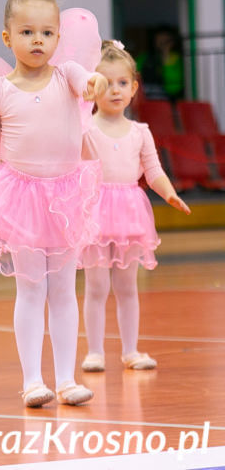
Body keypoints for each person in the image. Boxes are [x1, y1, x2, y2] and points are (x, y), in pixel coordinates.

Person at [0, 0, 107, 407]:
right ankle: (33, 379)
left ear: (58, 38)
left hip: (67, 194)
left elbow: (89, 79)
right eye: (28, 32)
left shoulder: (68, 76)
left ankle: (66, 379)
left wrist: (96, 84)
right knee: (31, 289)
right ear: (7, 37)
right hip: (20, 198)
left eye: (47, 33)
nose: (38, 40)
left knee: (65, 289)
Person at [80, 40, 190, 373]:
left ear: (134, 88)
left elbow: (153, 171)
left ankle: (131, 350)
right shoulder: (84, 129)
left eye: (122, 83)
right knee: (96, 286)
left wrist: (169, 193)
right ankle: (95, 351)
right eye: (106, 82)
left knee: (127, 286)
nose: (115, 90)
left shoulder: (140, 132)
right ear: (92, 87)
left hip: (129, 212)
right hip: (95, 211)